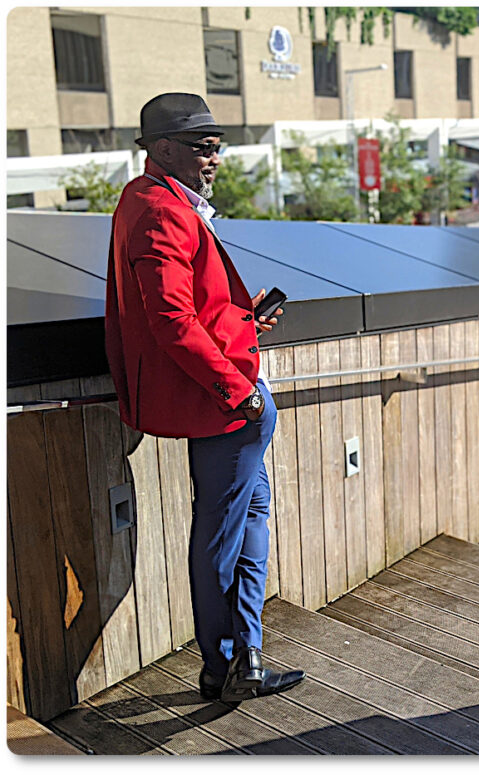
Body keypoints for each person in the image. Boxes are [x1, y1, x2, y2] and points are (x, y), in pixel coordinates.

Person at [105, 93, 305, 705]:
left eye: (217, 145)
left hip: (228, 400)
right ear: (160, 148)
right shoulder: (158, 210)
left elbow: (194, 310)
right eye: (202, 146)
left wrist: (244, 322)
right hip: (224, 406)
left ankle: (245, 652)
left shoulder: (162, 204)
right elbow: (169, 321)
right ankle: (222, 664)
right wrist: (235, 391)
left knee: (249, 520)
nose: (214, 156)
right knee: (221, 533)